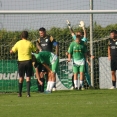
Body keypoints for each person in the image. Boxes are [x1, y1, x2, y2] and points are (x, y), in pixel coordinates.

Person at [66, 20, 94, 89]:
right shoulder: (74, 41)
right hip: (76, 60)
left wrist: (83, 28)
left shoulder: (83, 41)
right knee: (76, 73)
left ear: (81, 36)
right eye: (77, 34)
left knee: (84, 73)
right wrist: (69, 27)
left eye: (79, 34)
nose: (77, 36)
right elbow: (72, 33)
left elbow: (85, 34)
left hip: (83, 59)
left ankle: (86, 85)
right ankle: (75, 86)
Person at [10, 31, 36, 97]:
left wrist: (11, 50)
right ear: (27, 36)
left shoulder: (18, 43)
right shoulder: (29, 43)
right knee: (28, 77)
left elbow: (12, 51)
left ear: (21, 36)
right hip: (28, 61)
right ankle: (28, 93)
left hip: (21, 62)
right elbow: (35, 50)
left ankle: (20, 93)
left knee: (21, 77)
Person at [36, 27, 59, 91]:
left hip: (50, 58)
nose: (41, 34)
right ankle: (44, 88)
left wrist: (56, 54)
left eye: (42, 33)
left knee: (50, 72)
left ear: (45, 32)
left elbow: (56, 44)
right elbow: (37, 43)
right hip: (43, 58)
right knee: (43, 73)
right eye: (40, 33)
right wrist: (39, 48)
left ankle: (53, 86)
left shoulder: (50, 37)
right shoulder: (39, 39)